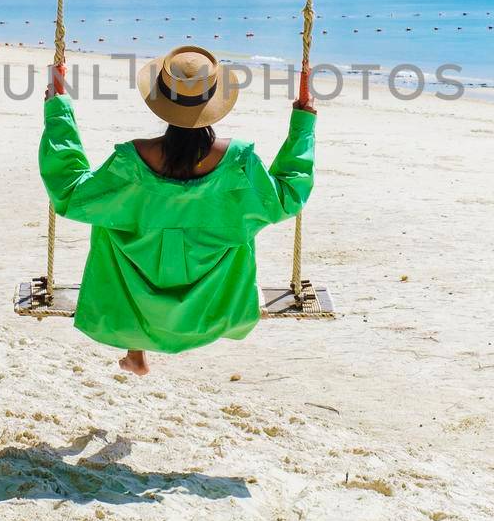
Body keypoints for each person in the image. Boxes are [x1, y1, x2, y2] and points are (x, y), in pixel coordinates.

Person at [39, 45, 317, 376]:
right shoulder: (239, 165)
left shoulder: (131, 164)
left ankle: (136, 347)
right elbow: (288, 196)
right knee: (143, 228)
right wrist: (304, 122)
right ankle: (137, 351)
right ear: (215, 102)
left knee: (118, 228)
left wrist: (58, 112)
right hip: (212, 309)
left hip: (136, 304)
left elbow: (69, 192)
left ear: (162, 104)